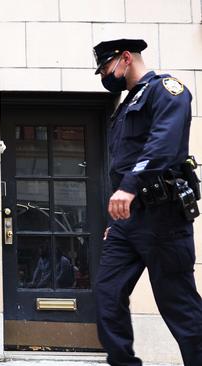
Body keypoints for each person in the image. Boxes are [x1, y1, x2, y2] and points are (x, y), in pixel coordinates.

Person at [93, 39, 202, 366]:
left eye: (105, 68)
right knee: (106, 296)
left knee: (179, 306)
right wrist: (113, 223)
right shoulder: (125, 105)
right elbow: (119, 165)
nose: (104, 76)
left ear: (125, 58)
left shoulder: (167, 90)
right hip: (127, 223)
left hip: (163, 217)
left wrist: (130, 186)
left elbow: (163, 145)